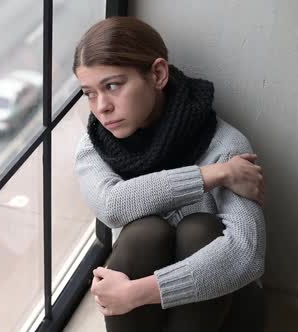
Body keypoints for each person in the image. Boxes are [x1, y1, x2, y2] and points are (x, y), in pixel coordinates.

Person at [73, 16, 266, 331]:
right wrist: (212, 175)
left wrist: (137, 293)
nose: (101, 106)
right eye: (89, 93)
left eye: (112, 85)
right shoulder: (95, 146)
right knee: (144, 232)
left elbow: (246, 254)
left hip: (222, 312)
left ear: (158, 74)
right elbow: (111, 206)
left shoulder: (227, 147)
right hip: (142, 312)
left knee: (200, 231)